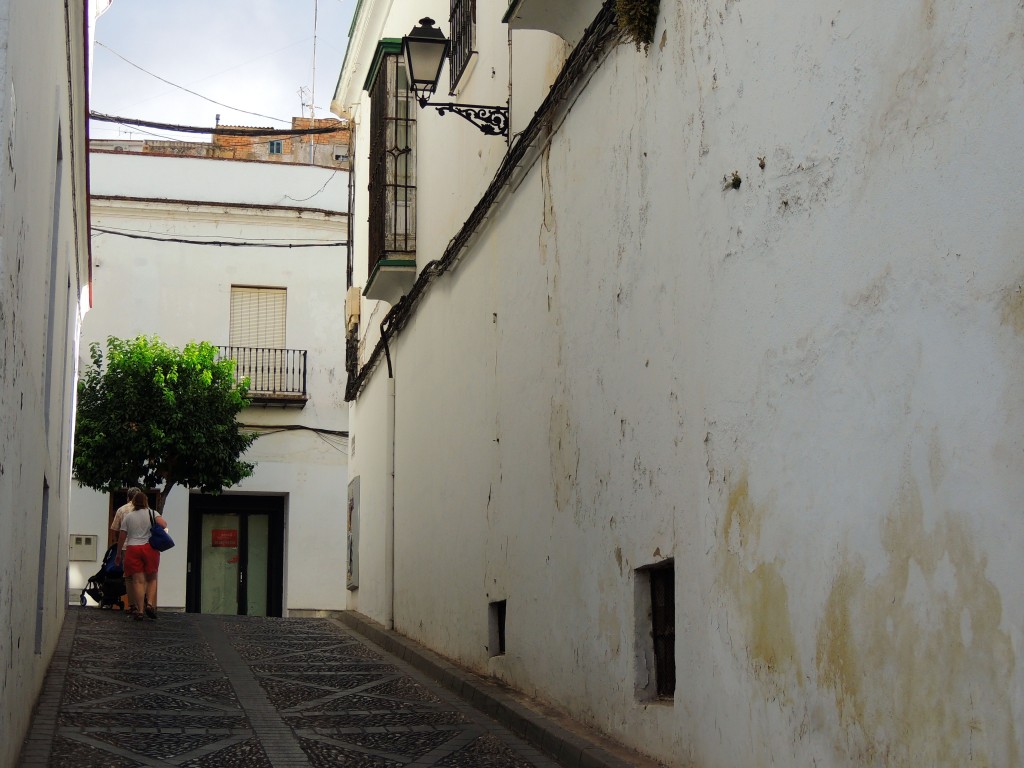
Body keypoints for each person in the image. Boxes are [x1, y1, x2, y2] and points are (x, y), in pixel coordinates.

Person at [114, 490, 168, 621]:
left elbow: (122, 536)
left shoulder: (129, 517)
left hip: (133, 549)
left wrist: (118, 553)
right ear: (146, 502)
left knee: (137, 581)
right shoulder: (152, 513)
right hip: (150, 548)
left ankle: (140, 610)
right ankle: (150, 604)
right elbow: (164, 524)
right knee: (152, 578)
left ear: (133, 502)